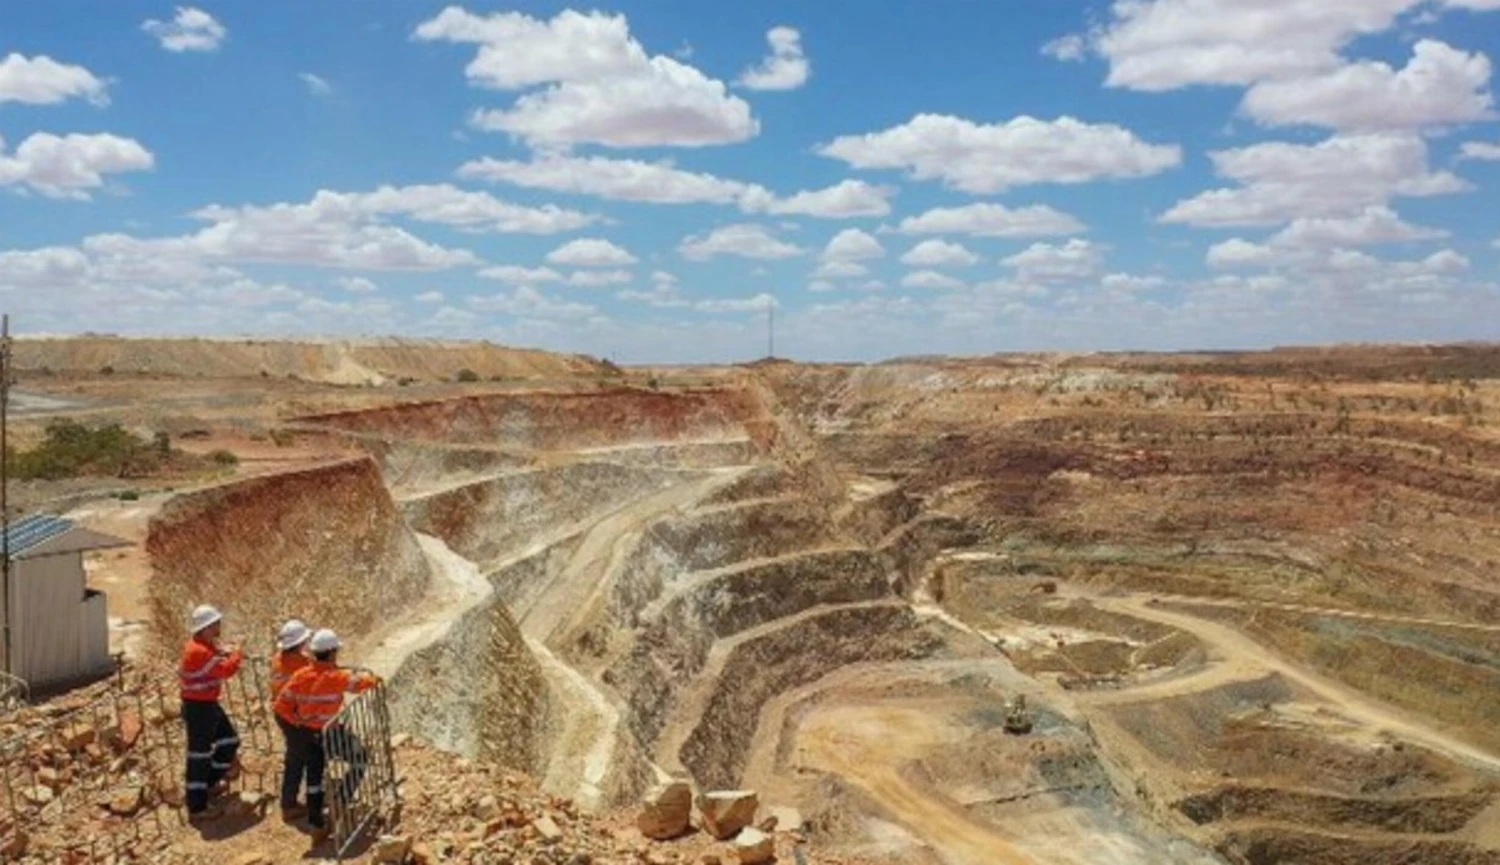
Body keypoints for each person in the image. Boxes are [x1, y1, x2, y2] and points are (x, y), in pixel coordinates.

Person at [273, 628, 381, 838]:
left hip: (306, 733)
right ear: (332, 653)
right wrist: (375, 680)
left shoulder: (300, 675)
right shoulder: (337, 676)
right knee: (360, 758)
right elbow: (364, 684)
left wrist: (299, 723)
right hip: (330, 733)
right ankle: (341, 798)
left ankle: (316, 823)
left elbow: (281, 706)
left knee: (314, 776)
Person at [179, 604, 244, 821]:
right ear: (205, 627)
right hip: (199, 708)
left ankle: (208, 783)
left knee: (229, 741)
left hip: (207, 704)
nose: (218, 628)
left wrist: (225, 652)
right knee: (199, 755)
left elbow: (216, 656)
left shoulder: (203, 646)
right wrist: (237, 654)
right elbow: (225, 670)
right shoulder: (198, 651)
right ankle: (197, 806)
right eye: (215, 624)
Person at [272, 618, 313, 822]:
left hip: (282, 713)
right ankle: (289, 805)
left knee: (297, 754)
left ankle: (300, 796)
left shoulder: (277, 659)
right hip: (295, 716)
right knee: (296, 758)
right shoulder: (302, 665)